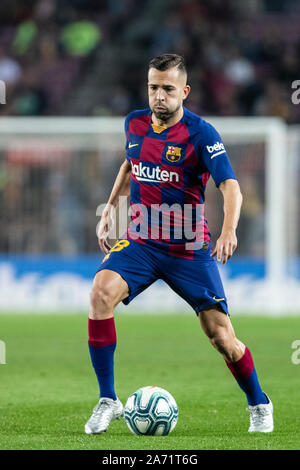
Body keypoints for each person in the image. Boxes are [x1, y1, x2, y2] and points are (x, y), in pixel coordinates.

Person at [85, 54, 273, 435]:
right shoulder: (134, 123)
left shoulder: (202, 134)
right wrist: (111, 209)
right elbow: (130, 164)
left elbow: (230, 187)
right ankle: (108, 399)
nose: (159, 96)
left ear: (184, 91)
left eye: (168, 89)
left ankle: (259, 403)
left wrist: (228, 230)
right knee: (101, 293)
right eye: (154, 87)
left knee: (221, 337)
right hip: (141, 241)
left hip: (187, 248)